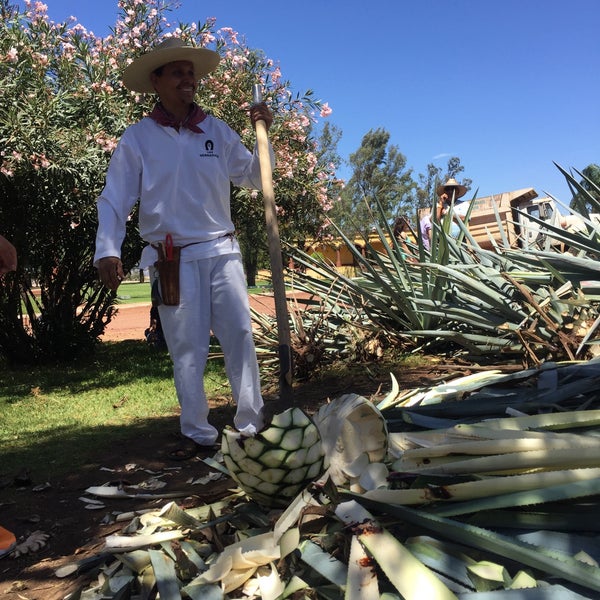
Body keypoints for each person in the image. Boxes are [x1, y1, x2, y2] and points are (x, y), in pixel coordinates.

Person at [94, 37, 274, 460]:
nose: (188, 79)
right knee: (187, 349)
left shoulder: (216, 130)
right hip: (171, 257)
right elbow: (115, 197)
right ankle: (197, 432)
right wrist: (107, 247)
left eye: (191, 73)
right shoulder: (138, 138)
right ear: (156, 81)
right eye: (177, 72)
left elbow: (252, 177)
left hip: (222, 249)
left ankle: (251, 425)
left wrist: (263, 135)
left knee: (240, 337)